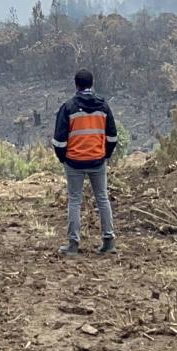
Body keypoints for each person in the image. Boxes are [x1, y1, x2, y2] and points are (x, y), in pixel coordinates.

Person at [52, 69, 118, 255]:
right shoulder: (103, 106)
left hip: (74, 161)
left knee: (74, 200)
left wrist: (63, 158)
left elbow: (59, 140)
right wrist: (105, 154)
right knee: (102, 198)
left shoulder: (68, 107)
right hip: (98, 160)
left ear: (76, 84)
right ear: (92, 84)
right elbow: (112, 137)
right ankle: (109, 240)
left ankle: (73, 244)